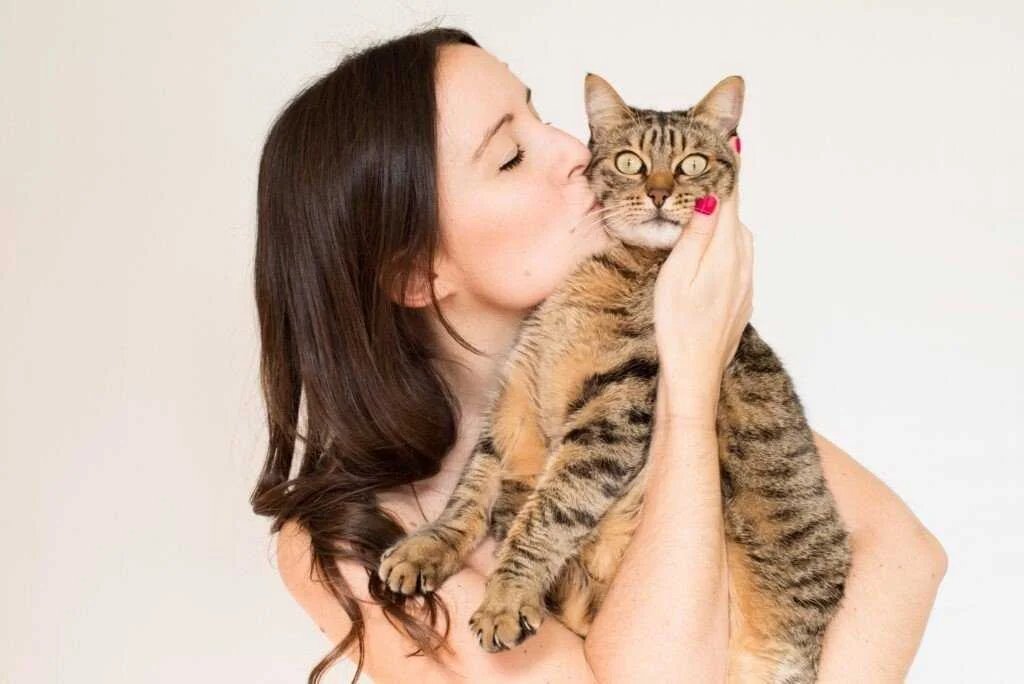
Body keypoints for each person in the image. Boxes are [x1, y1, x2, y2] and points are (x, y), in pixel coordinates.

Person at [251, 26, 946, 684]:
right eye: (511, 155)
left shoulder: (646, 350)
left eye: (542, 116)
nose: (576, 152)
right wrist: (690, 391)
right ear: (415, 272)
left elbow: (908, 556)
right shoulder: (346, 548)